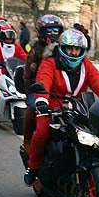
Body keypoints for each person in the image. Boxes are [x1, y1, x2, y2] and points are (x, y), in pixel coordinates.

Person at [23, 28, 99, 185]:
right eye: (70, 48)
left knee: (98, 134)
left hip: (79, 108)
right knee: (42, 131)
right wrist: (42, 100)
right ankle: (33, 167)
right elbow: (43, 81)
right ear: (61, 48)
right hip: (52, 107)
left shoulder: (86, 65)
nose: (74, 53)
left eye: (78, 49)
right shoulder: (50, 63)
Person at [20, 15, 65, 152]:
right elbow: (27, 75)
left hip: (59, 88)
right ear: (41, 31)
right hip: (39, 88)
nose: (53, 33)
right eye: (49, 30)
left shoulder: (64, 48)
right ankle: (27, 140)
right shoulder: (35, 50)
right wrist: (29, 93)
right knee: (32, 108)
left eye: (56, 30)